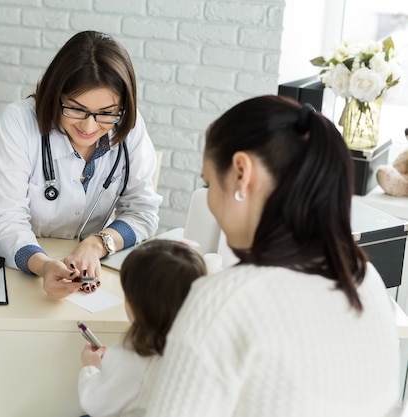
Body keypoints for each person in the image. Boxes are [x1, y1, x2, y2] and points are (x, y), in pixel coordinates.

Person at [146, 95, 399, 417]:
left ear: (241, 172)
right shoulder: (365, 280)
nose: (209, 199)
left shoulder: (225, 301)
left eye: (208, 183)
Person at [0, 31, 161, 299]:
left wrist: (96, 244)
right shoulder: (19, 123)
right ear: (57, 94)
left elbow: (143, 212)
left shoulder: (129, 127)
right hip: (24, 269)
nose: (89, 127)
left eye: (106, 113)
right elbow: (6, 219)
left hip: (91, 269)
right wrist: (43, 266)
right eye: (76, 109)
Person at [78, 239, 207, 417]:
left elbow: (94, 402)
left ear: (133, 305)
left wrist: (90, 367)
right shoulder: (205, 350)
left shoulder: (128, 360)